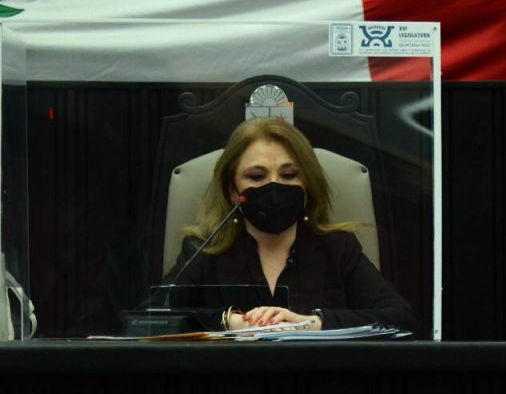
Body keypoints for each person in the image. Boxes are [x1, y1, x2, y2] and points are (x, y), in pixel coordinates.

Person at [163, 117, 418, 334]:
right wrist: (229, 321)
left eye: (289, 175)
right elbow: (150, 320)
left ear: (307, 186)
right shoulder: (205, 251)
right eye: (257, 176)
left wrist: (310, 324)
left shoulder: (338, 248)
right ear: (232, 191)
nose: (274, 186)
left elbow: (402, 318)